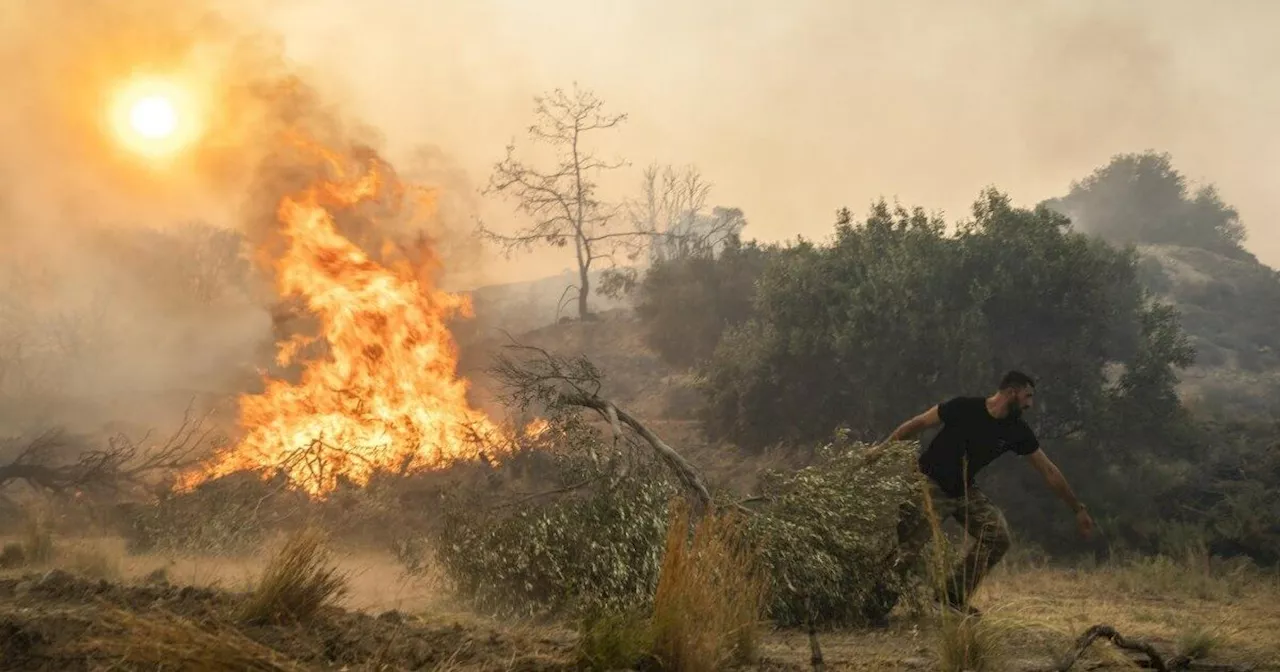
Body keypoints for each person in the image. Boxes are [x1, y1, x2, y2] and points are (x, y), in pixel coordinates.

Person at [870, 370, 1095, 619]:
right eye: (1027, 396)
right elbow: (918, 424)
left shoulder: (1016, 430)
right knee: (907, 549)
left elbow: (1049, 471)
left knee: (997, 536)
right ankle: (870, 610)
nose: (1030, 404)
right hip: (928, 484)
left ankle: (952, 597)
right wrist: (880, 450)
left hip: (964, 490)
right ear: (1012, 392)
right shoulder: (963, 407)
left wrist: (1078, 509)